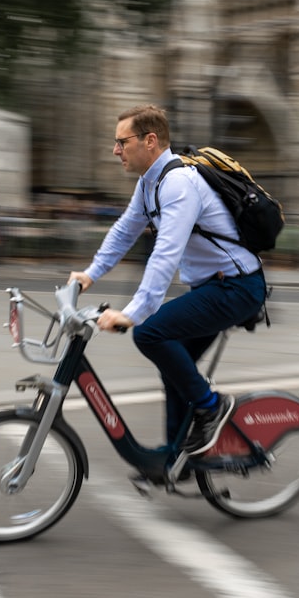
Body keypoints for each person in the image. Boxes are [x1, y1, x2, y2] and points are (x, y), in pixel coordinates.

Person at [69, 104, 267, 458]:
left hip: (237, 287)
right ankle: (174, 455)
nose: (116, 151)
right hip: (214, 287)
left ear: (150, 140)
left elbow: (166, 253)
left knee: (149, 333)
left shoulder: (178, 183)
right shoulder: (149, 184)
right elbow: (124, 232)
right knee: (174, 366)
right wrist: (90, 274)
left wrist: (134, 313)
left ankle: (212, 407)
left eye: (121, 142)